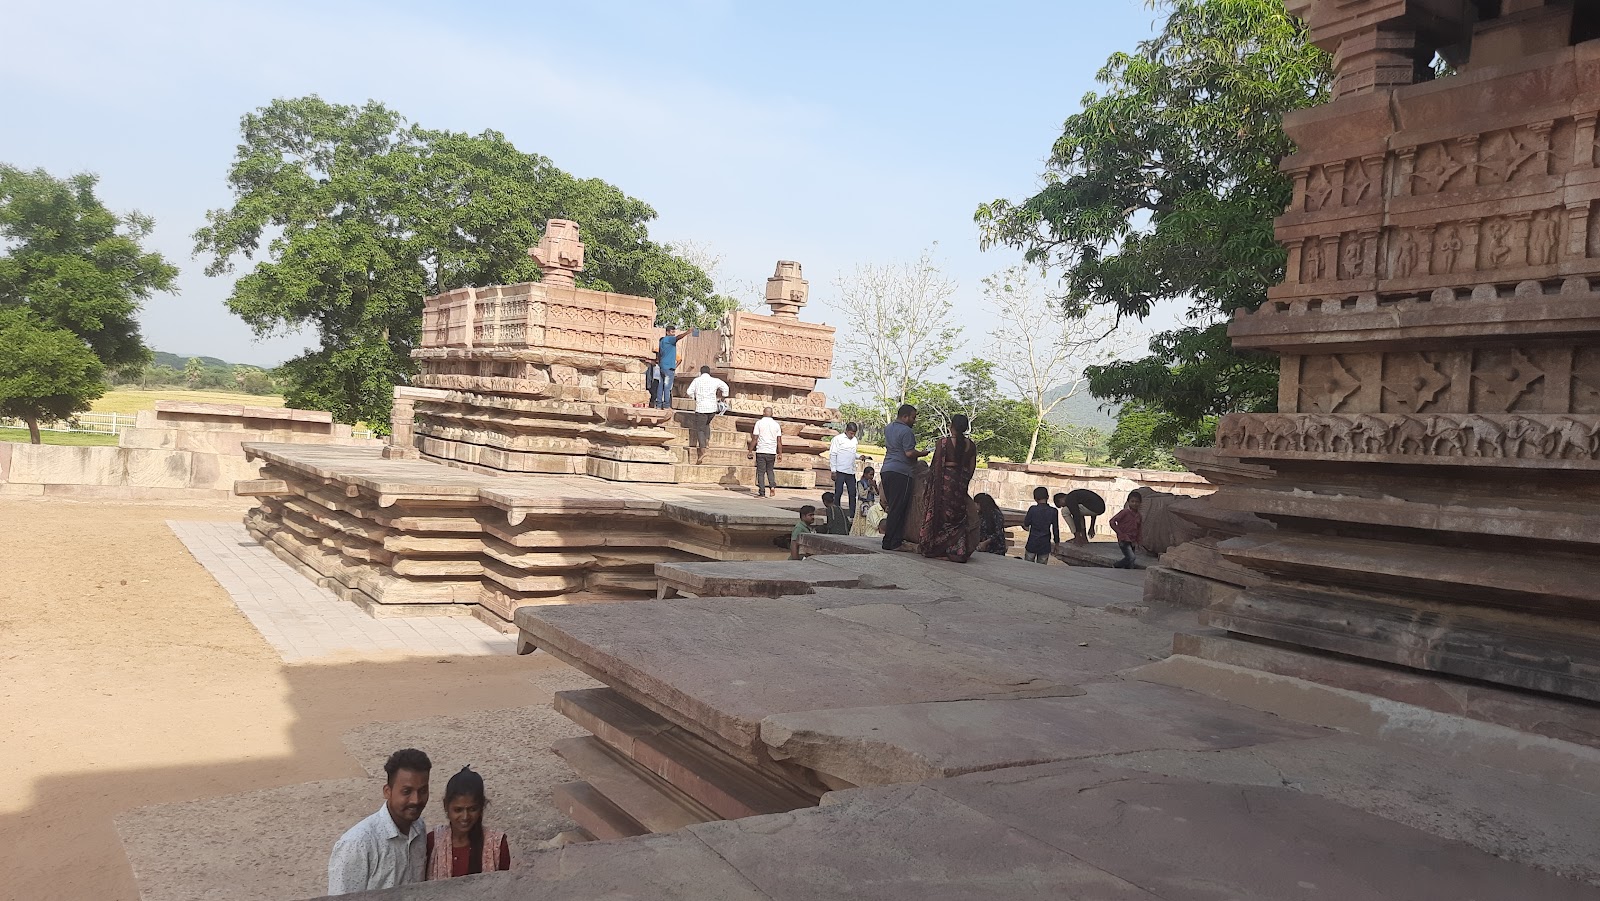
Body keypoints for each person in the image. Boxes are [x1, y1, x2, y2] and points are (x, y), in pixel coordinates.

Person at [328, 749, 433, 895]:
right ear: (387, 791)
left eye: (422, 791)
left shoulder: (418, 829)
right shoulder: (357, 845)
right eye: (406, 791)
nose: (416, 800)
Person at [426, 766, 510, 880]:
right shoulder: (433, 842)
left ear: (481, 807)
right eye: (458, 810)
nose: (465, 817)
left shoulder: (497, 845)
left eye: (472, 809)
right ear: (446, 806)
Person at [919, 414, 978, 562]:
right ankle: (957, 549)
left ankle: (937, 548)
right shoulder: (971, 445)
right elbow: (971, 468)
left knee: (941, 517)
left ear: (951, 426)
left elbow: (935, 467)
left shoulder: (943, 443)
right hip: (960, 485)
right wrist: (963, 482)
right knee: (957, 518)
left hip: (944, 486)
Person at [880, 404, 927, 551]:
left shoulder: (888, 428)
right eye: (913, 417)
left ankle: (891, 539)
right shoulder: (907, 432)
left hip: (886, 469)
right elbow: (909, 453)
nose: (914, 421)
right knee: (898, 508)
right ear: (905, 417)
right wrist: (922, 453)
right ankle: (892, 542)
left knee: (893, 506)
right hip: (901, 472)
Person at [684, 365, 730, 464]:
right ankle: (707, 441)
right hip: (712, 408)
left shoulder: (697, 380)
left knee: (700, 429)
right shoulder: (715, 380)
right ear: (709, 372)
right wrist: (723, 397)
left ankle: (702, 450)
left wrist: (693, 397)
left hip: (701, 408)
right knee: (706, 425)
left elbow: (689, 391)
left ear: (701, 372)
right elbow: (725, 387)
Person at [748, 406, 783, 498]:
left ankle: (762, 492)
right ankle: (772, 486)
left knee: (760, 472)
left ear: (763, 413)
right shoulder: (776, 424)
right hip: (772, 452)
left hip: (761, 450)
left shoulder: (759, 423)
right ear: (772, 414)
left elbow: (755, 438)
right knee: (770, 470)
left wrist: (750, 451)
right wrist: (780, 453)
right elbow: (779, 441)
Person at [829, 423, 861, 518]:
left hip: (850, 471)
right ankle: (837, 512)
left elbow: (852, 453)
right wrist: (833, 470)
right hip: (840, 470)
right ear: (846, 431)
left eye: (854, 433)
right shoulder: (838, 439)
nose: (852, 435)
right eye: (851, 433)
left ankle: (852, 514)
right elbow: (833, 454)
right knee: (838, 492)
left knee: (852, 492)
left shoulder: (854, 440)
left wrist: (859, 456)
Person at [1021, 487, 1059, 565]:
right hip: (1045, 544)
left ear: (1035, 498)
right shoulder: (1053, 511)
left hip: (1032, 542)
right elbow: (1056, 529)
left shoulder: (1032, 509)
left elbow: (1026, 523)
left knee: (1028, 566)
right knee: (1042, 568)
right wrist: (1057, 543)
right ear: (1048, 497)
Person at [1108, 492, 1144, 569]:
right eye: (1132, 501)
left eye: (1137, 502)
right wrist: (1120, 533)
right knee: (1131, 557)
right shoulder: (1124, 512)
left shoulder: (1139, 516)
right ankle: (1115, 565)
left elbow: (1139, 529)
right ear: (1128, 502)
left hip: (1132, 540)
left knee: (1130, 563)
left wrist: (1139, 541)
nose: (1135, 504)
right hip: (1124, 539)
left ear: (1140, 503)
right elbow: (1112, 521)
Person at [654, 325, 682, 409]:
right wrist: (687, 332)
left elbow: (659, 355)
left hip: (663, 366)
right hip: (669, 367)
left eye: (674, 332)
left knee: (661, 385)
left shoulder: (662, 341)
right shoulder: (669, 339)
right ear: (667, 332)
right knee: (667, 387)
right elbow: (678, 337)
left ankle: (658, 404)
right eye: (672, 332)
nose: (673, 334)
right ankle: (666, 405)